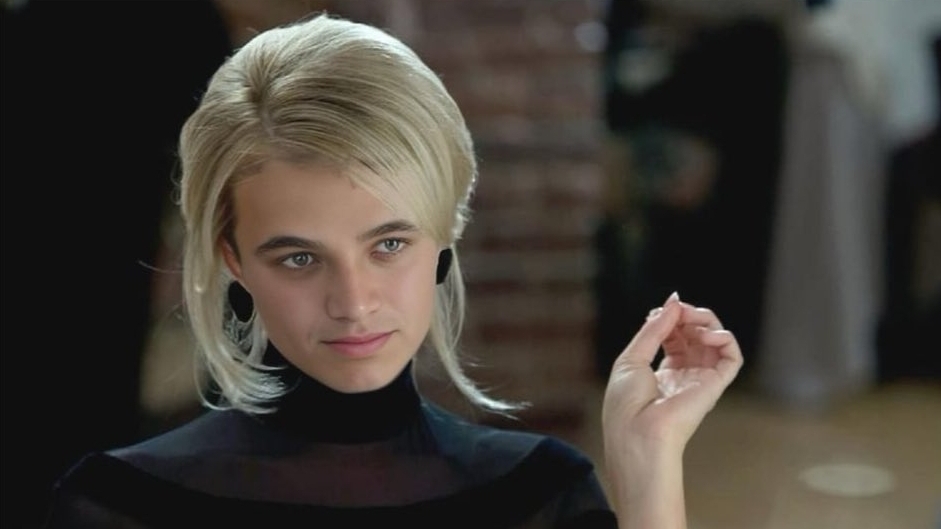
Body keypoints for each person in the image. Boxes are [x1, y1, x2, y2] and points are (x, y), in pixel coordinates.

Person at [41, 12, 743, 529]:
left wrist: (647, 461)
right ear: (234, 260)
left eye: (388, 246)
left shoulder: (541, 492)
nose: (353, 303)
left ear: (444, 237)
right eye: (299, 258)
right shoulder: (114, 505)